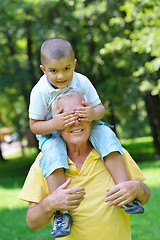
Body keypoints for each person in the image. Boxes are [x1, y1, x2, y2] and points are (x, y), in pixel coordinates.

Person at [28, 37, 143, 238]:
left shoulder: (82, 81)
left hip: (91, 123)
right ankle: (61, 212)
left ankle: (125, 191)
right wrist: (56, 124)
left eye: (66, 69)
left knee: (107, 135)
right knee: (53, 153)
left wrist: (91, 114)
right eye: (54, 71)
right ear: (43, 69)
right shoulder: (40, 92)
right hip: (52, 132)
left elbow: (100, 108)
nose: (61, 76)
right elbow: (34, 125)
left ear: (74, 64)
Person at [19, 90, 150, 240]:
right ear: (56, 126)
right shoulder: (46, 162)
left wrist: (138, 188)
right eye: (67, 117)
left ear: (91, 119)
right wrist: (50, 203)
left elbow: (144, 197)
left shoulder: (113, 153)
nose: (76, 122)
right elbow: (32, 222)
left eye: (81, 115)